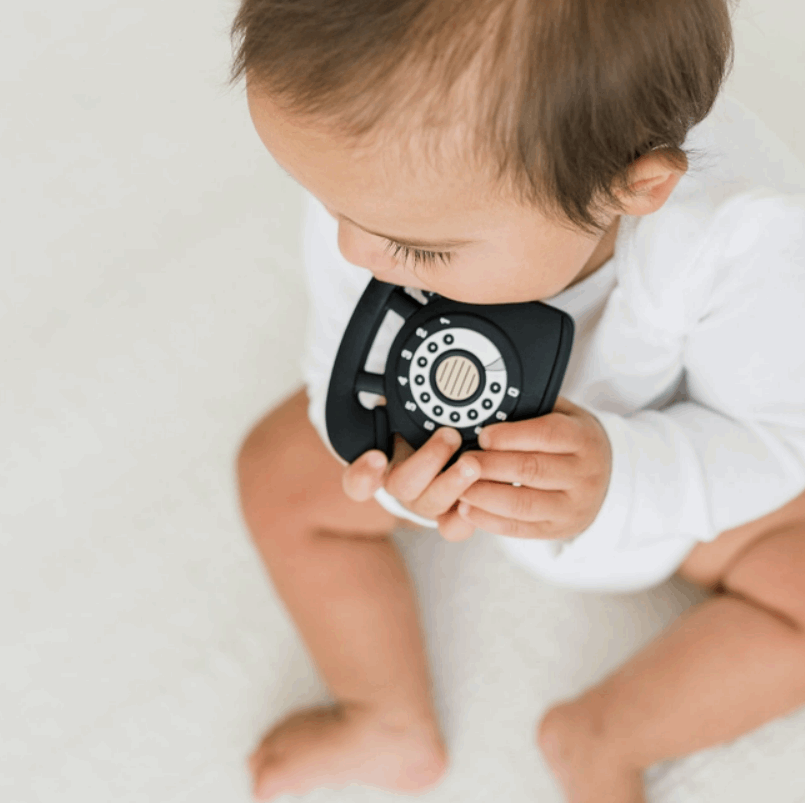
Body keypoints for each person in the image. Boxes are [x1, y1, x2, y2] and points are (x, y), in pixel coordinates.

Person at [231, 1, 805, 800]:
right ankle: (384, 719)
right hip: (446, 448)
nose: (354, 253)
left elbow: (776, 436)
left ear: (630, 190)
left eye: (417, 248)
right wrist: (381, 449)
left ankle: (607, 736)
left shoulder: (745, 241)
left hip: (666, 472)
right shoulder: (379, 181)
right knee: (276, 474)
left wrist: (622, 479)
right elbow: (342, 343)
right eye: (329, 207)